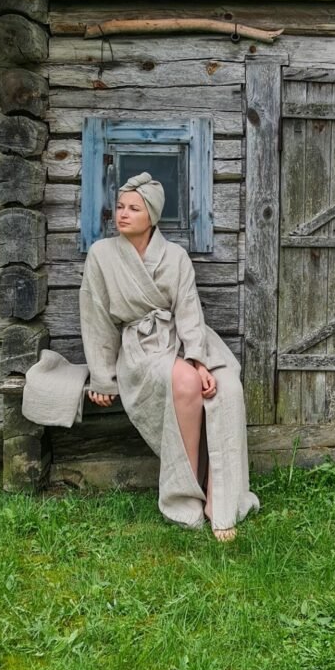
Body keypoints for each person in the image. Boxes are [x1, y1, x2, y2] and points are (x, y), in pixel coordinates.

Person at [79, 171, 260, 541]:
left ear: (153, 216)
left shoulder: (175, 257)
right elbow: (95, 317)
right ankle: (184, 494)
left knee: (226, 386)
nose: (123, 214)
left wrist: (198, 358)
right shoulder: (102, 255)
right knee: (184, 381)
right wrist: (101, 377)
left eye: (134, 208)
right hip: (141, 349)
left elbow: (189, 311)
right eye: (120, 206)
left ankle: (218, 497)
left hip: (182, 339)